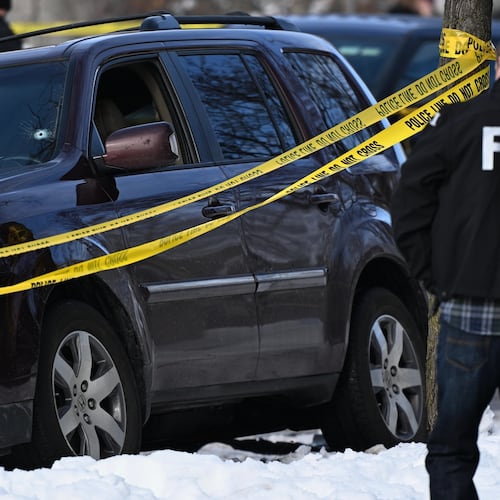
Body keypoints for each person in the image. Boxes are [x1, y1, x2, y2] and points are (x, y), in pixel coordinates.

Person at [391, 58, 500, 500]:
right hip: (466, 293)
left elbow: (411, 200)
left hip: (470, 301)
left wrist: (434, 275)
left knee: (451, 450)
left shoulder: (463, 119)